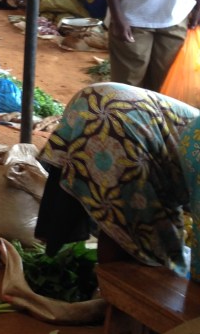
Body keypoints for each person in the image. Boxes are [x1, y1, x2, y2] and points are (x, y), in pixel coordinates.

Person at [35, 82, 199, 277]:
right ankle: (112, 288)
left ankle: (98, 283)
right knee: (145, 242)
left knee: (118, 223)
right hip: (124, 124)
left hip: (96, 99)